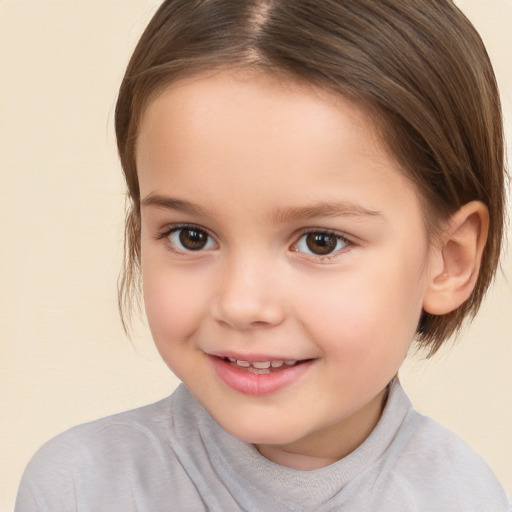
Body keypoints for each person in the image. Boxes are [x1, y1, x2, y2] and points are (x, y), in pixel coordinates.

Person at [15, 0, 511, 510]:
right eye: (191, 236)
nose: (242, 304)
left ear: (449, 259)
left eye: (321, 241)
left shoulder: (464, 498)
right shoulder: (79, 489)